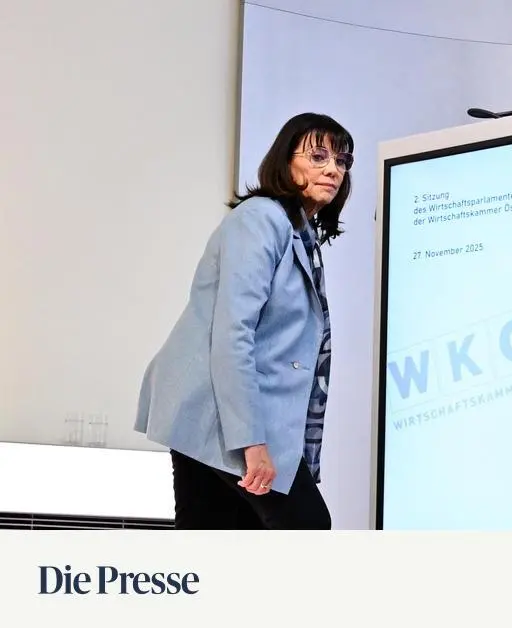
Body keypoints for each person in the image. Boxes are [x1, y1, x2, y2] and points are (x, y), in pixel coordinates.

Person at [134, 113, 354, 529]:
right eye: (318, 156)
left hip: (225, 412)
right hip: (219, 414)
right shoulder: (261, 220)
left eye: (342, 161)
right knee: (306, 526)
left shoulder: (299, 234)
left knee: (218, 539)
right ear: (285, 162)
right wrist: (251, 442)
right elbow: (233, 333)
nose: (333, 169)